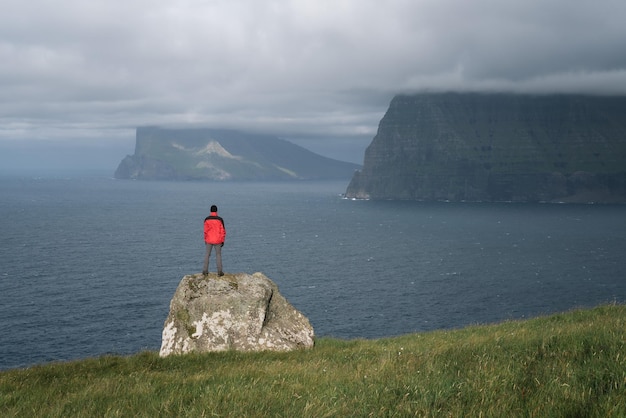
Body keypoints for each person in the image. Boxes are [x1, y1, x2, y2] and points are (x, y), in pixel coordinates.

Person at [202, 205, 226, 276]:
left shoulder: (207, 219)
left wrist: (205, 239)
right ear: (216, 211)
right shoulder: (220, 220)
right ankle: (220, 272)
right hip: (218, 240)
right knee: (218, 255)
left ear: (210, 211)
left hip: (209, 239)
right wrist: (222, 240)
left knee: (207, 255)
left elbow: (205, 231)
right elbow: (223, 231)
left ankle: (205, 271)